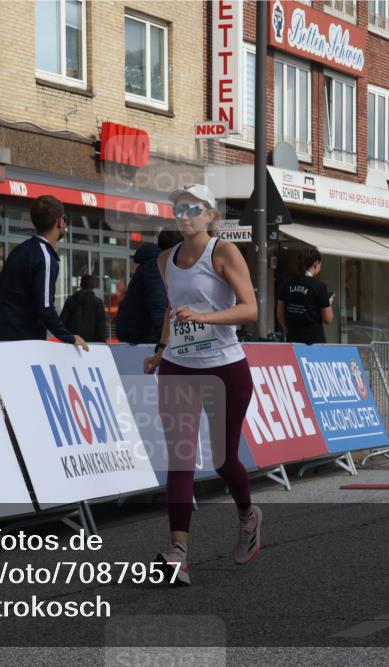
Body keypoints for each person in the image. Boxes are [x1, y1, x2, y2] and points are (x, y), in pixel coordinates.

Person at [141, 184, 260, 586]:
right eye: (178, 207)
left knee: (224, 459)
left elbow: (250, 309)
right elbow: (173, 312)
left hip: (225, 368)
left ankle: (248, 516)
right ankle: (178, 553)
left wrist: (204, 319)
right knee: (180, 457)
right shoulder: (164, 259)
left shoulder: (223, 252)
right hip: (178, 365)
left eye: (193, 208)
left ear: (210, 215)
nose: (184, 214)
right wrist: (161, 347)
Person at [0, 195, 89, 351]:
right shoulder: (45, 257)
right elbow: (45, 307)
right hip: (25, 343)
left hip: (1, 339)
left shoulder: (20, 250)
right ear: (59, 221)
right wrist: (69, 337)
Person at [115, 230, 182, 344]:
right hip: (143, 335)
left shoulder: (158, 264)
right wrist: (172, 340)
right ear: (174, 250)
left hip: (143, 332)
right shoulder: (155, 267)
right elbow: (158, 304)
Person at [276, 246, 333, 344]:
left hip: (293, 340)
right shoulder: (319, 286)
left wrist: (288, 331)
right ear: (315, 264)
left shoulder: (287, 285)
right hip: (315, 342)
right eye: (320, 264)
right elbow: (328, 319)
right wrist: (329, 303)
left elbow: (280, 315)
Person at [61, 274, 106, 343]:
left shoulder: (70, 300)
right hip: (92, 344)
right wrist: (102, 342)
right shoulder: (98, 303)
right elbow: (101, 326)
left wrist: (68, 338)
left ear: (81, 284)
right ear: (93, 285)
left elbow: (62, 321)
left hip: (73, 342)